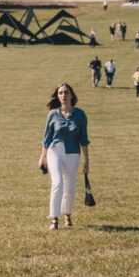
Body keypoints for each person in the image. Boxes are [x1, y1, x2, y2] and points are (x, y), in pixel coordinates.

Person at [35, 82, 90, 231]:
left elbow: (84, 139)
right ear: (57, 96)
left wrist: (86, 161)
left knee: (70, 187)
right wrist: (42, 157)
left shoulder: (80, 114)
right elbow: (47, 138)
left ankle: (67, 214)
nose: (63, 95)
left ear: (71, 95)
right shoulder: (53, 114)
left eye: (66, 92)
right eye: (60, 93)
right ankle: (54, 218)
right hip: (55, 151)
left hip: (73, 153)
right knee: (57, 183)